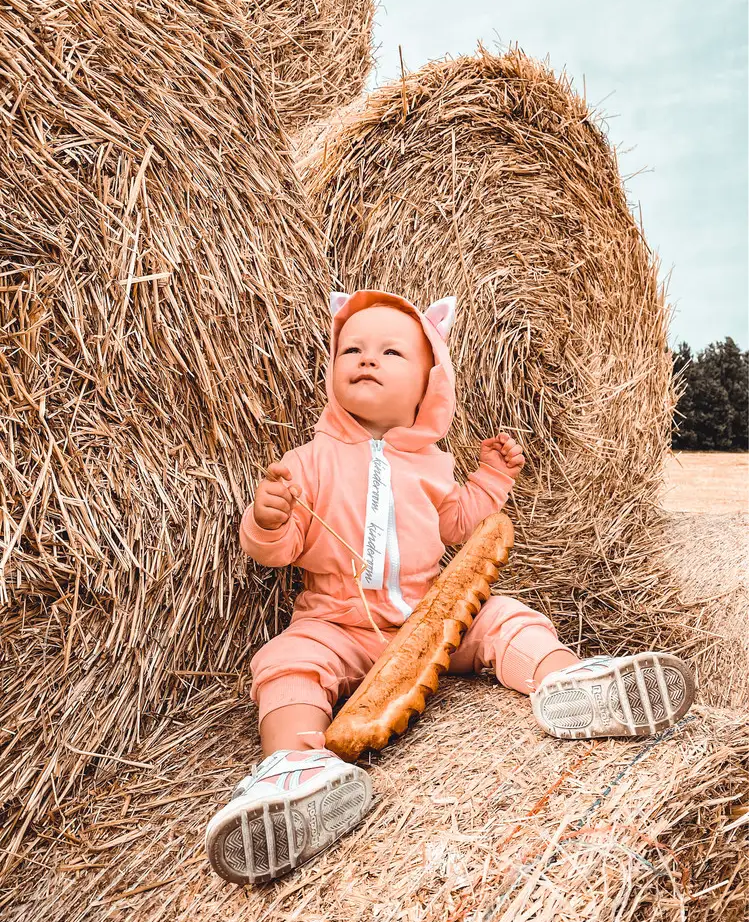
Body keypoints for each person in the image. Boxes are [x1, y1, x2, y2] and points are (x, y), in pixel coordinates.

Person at [205, 289, 695, 886]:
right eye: (352, 349)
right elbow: (275, 552)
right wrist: (270, 518)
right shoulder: (307, 462)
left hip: (429, 615)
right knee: (285, 659)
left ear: (428, 385)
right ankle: (294, 769)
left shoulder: (433, 464)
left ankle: (566, 681)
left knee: (503, 616)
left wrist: (492, 475)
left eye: (391, 352)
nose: (367, 359)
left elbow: (462, 524)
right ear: (333, 369)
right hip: (337, 625)